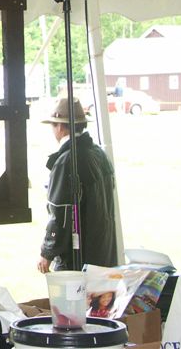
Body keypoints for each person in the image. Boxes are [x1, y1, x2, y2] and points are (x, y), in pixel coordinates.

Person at [37, 98, 117, 273]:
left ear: (60, 126)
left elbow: (60, 213)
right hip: (103, 254)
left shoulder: (67, 161)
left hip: (78, 260)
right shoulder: (99, 154)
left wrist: (47, 252)